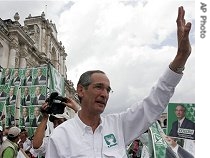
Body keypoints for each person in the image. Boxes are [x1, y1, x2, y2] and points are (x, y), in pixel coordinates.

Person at [45, 6, 192, 158]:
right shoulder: (61, 136)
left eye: (108, 90)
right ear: (81, 90)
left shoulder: (118, 125)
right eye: (99, 87)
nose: (104, 94)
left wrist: (181, 57)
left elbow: (153, 103)